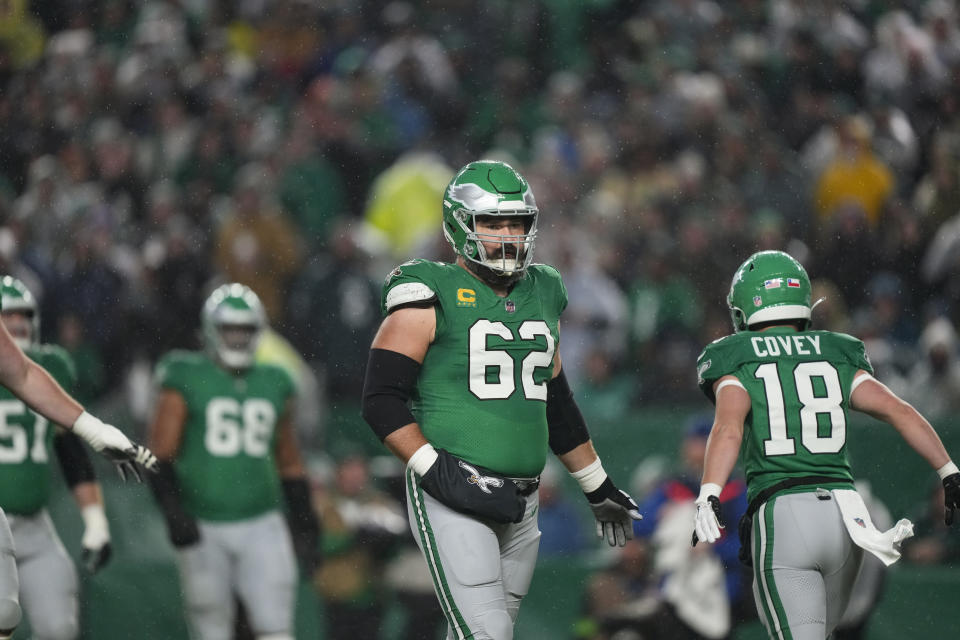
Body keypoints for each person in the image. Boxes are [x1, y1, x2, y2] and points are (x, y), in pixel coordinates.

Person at [361, 160, 642, 640]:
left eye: (517, 221)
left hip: (524, 499)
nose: (508, 234)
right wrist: (438, 470)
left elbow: (555, 404)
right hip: (451, 492)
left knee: (478, 632)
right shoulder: (430, 288)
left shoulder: (546, 289)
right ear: (459, 225)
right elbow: (380, 399)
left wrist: (596, 485)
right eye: (492, 222)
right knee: (488, 633)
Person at [691, 250, 960, 640]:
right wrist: (949, 470)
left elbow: (728, 428)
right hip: (848, 519)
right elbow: (899, 411)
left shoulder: (734, 357)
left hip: (783, 511)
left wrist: (709, 493)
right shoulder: (836, 351)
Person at [146, 283, 320, 640]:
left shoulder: (275, 380)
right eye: (230, 329)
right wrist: (173, 510)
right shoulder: (185, 374)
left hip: (263, 521)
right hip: (205, 524)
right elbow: (160, 454)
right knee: (212, 629)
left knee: (276, 628)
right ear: (212, 330)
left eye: (246, 330)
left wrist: (305, 521)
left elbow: (289, 461)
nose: (238, 338)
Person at [0, 283, 156, 640]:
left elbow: (23, 376)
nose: (17, 324)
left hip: (33, 524)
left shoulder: (49, 364)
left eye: (22, 316)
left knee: (56, 626)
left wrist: (93, 429)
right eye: (8, 315)